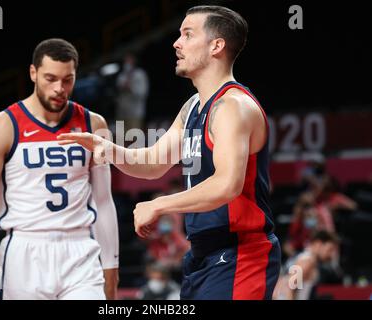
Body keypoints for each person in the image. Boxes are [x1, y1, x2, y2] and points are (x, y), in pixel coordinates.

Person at [58, 6, 281, 300]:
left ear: (216, 45)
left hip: (241, 254)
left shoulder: (233, 107)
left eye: (188, 35)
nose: (177, 43)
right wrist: (108, 149)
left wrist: (159, 204)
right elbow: (153, 162)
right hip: (203, 254)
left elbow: (227, 184)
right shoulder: (192, 106)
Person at [0, 38, 119, 300]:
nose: (59, 88)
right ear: (33, 73)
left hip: (80, 249)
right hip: (24, 249)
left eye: (67, 80)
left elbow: (104, 201)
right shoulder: (3, 125)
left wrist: (111, 267)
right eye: (50, 78)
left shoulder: (95, 124)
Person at [273, 230, 340, 300]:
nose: (331, 255)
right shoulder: (307, 261)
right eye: (330, 249)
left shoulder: (306, 259)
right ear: (318, 244)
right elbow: (289, 287)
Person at [115, 53, 149, 131]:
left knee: (134, 138)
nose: (126, 63)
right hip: (122, 112)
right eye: (125, 61)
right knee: (121, 139)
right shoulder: (122, 75)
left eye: (129, 61)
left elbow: (143, 93)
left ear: (134, 61)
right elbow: (118, 90)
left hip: (135, 113)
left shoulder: (140, 74)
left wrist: (130, 88)